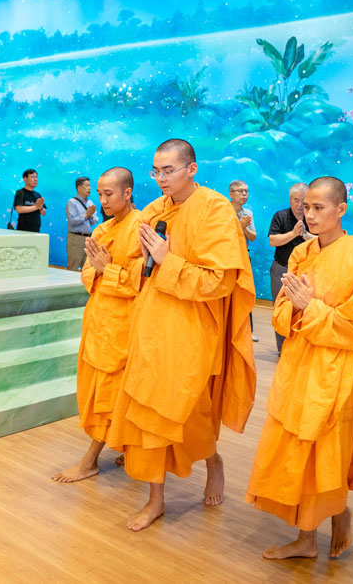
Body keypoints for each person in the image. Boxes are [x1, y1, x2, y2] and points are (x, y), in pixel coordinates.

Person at [245, 176, 353, 560]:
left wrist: (312, 308)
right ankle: (312, 533)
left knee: (326, 454)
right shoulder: (302, 254)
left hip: (338, 375)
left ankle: (325, 521)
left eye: (320, 208)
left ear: (342, 209)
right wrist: (299, 309)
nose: (311, 215)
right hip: (299, 367)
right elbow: (282, 312)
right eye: (307, 207)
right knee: (296, 452)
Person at [106, 138, 256, 532]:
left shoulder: (215, 210)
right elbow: (137, 267)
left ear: (191, 168)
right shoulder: (154, 211)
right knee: (148, 414)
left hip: (191, 329)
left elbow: (219, 282)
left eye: (168, 170)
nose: (161, 179)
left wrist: (168, 260)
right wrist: (143, 262)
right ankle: (155, 499)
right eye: (156, 171)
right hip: (151, 324)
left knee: (192, 410)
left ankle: (213, 461)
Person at [52, 167, 141, 483]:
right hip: (98, 320)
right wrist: (100, 270)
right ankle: (130, 446)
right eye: (100, 193)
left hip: (124, 326)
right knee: (102, 390)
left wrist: (109, 269)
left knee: (111, 392)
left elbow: (140, 283)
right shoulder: (102, 230)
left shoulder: (140, 227)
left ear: (127, 193)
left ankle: (90, 460)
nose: (101, 200)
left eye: (108, 194)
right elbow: (87, 275)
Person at [267, 183, 314, 351]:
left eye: (303, 200)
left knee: (303, 310)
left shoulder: (313, 217)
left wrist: (305, 235)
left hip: (306, 273)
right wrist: (294, 233)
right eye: (296, 200)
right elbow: (273, 240)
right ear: (290, 200)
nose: (300, 204)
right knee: (280, 308)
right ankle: (282, 348)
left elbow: (321, 241)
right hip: (281, 268)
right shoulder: (280, 216)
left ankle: (299, 348)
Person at [229, 180, 258, 342]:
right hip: (228, 255)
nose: (244, 194)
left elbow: (253, 237)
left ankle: (248, 330)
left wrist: (244, 227)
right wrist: (239, 226)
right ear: (231, 194)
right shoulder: (224, 211)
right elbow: (225, 235)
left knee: (245, 290)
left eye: (246, 191)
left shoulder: (248, 213)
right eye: (240, 191)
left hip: (244, 254)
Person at [65, 176, 99, 271]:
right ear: (79, 187)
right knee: (73, 266)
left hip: (88, 238)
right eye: (87, 185)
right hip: (75, 239)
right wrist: (86, 214)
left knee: (87, 268)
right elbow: (72, 221)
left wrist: (91, 215)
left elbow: (95, 221)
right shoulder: (72, 202)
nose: (90, 188)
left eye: (90, 186)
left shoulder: (90, 202)